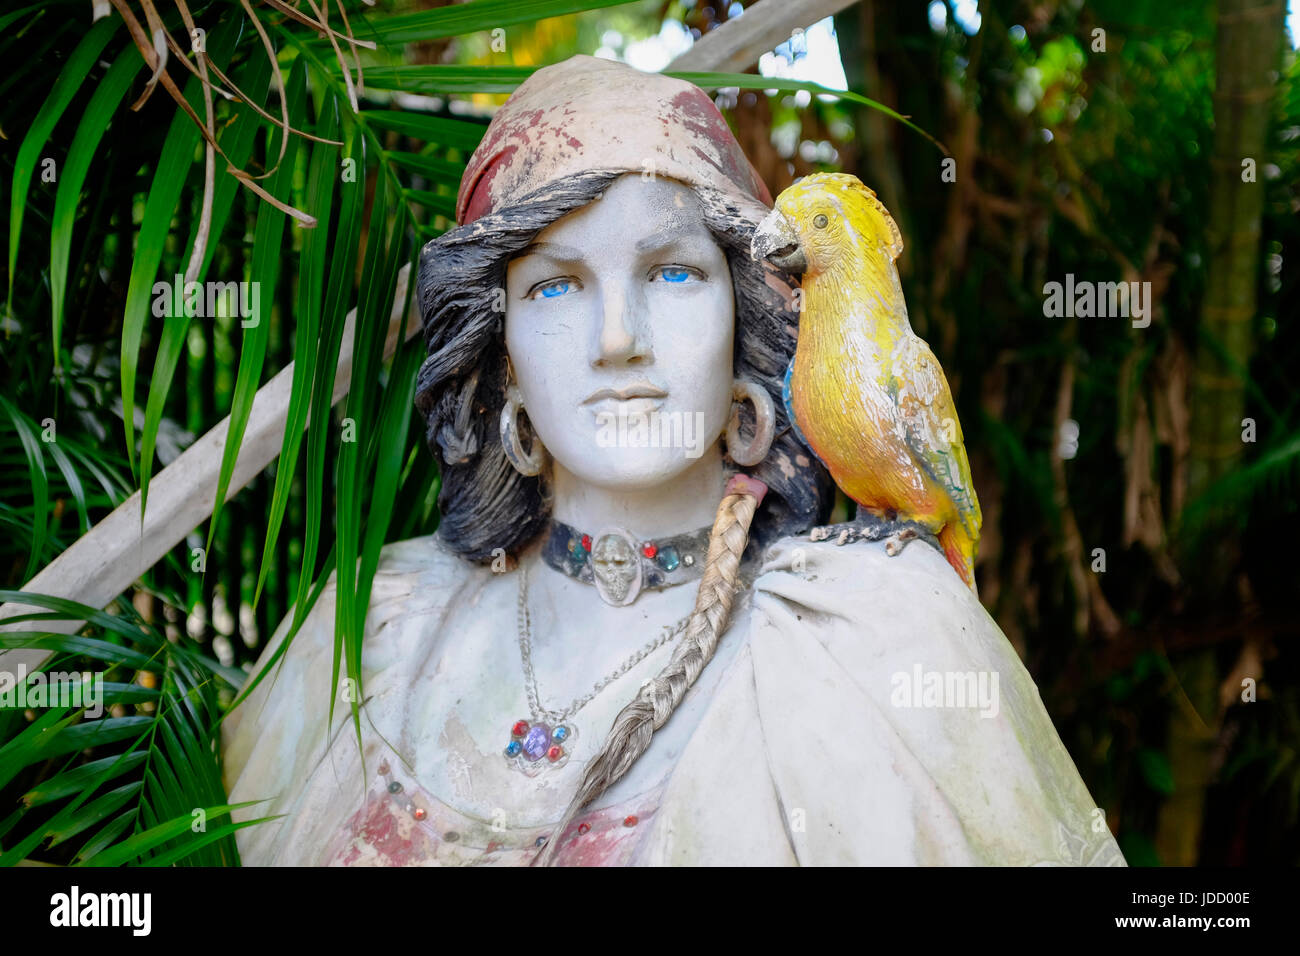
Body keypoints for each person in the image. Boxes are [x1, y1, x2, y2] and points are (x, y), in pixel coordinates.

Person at [223, 55, 1125, 867]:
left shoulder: (876, 636)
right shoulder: (366, 641)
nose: (619, 339)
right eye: (554, 284)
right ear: (504, 361)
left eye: (673, 273)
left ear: (746, 320)